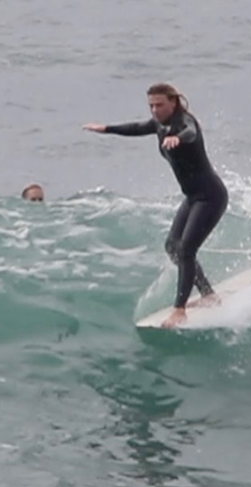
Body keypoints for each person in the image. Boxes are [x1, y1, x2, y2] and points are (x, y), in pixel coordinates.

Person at [84, 83, 227, 328]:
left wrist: (176, 138)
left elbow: (190, 133)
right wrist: (106, 129)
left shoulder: (184, 122)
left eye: (159, 105)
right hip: (193, 198)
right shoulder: (159, 124)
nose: (154, 110)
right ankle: (208, 295)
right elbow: (137, 127)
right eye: (150, 105)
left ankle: (179, 310)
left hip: (210, 196)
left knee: (186, 250)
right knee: (172, 246)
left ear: (174, 102)